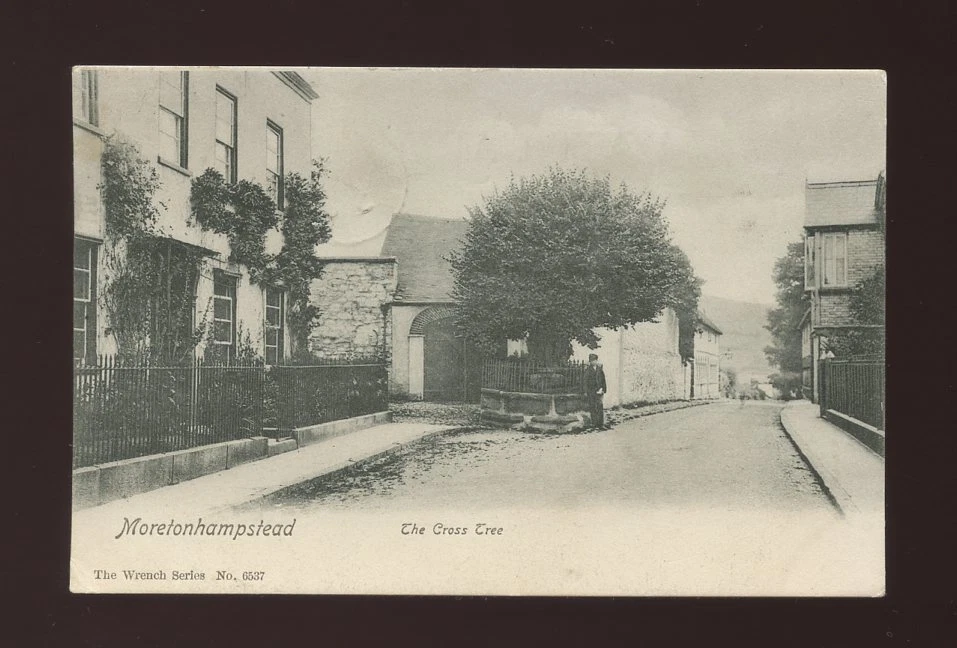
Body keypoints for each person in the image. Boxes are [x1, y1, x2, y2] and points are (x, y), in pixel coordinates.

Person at [584, 353, 609, 430]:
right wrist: (586, 391)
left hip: (599, 390)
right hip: (591, 391)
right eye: (591, 360)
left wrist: (604, 389)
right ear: (590, 362)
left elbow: (603, 380)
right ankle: (594, 424)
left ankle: (600, 424)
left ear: (596, 360)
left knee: (600, 406)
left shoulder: (599, 369)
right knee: (593, 407)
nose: (593, 362)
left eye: (594, 360)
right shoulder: (588, 370)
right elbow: (585, 381)